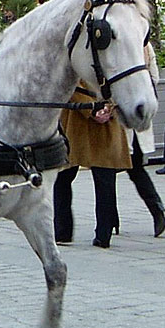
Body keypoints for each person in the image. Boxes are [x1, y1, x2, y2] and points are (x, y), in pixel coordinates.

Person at [53, 87, 131, 248]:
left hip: (81, 122)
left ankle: (72, 232)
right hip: (81, 121)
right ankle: (96, 233)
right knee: (67, 177)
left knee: (101, 179)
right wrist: (100, 109)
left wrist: (100, 109)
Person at [123, 43, 165, 237]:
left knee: (106, 171)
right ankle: (157, 210)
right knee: (136, 169)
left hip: (118, 113)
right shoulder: (144, 45)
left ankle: (108, 221)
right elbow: (154, 78)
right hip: (137, 111)